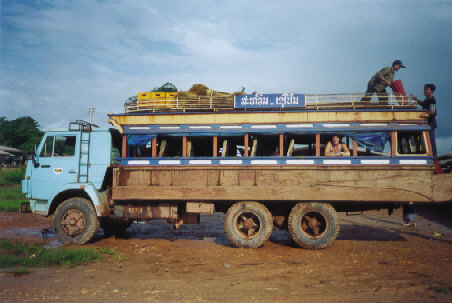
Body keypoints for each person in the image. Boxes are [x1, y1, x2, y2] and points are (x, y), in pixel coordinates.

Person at [410, 84, 437, 156]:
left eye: (427, 90)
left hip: (431, 122)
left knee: (431, 140)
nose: (425, 91)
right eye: (424, 90)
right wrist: (416, 100)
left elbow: (432, 111)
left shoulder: (432, 100)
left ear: (431, 91)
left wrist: (423, 113)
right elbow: (423, 104)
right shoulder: (427, 99)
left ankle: (434, 155)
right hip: (426, 122)